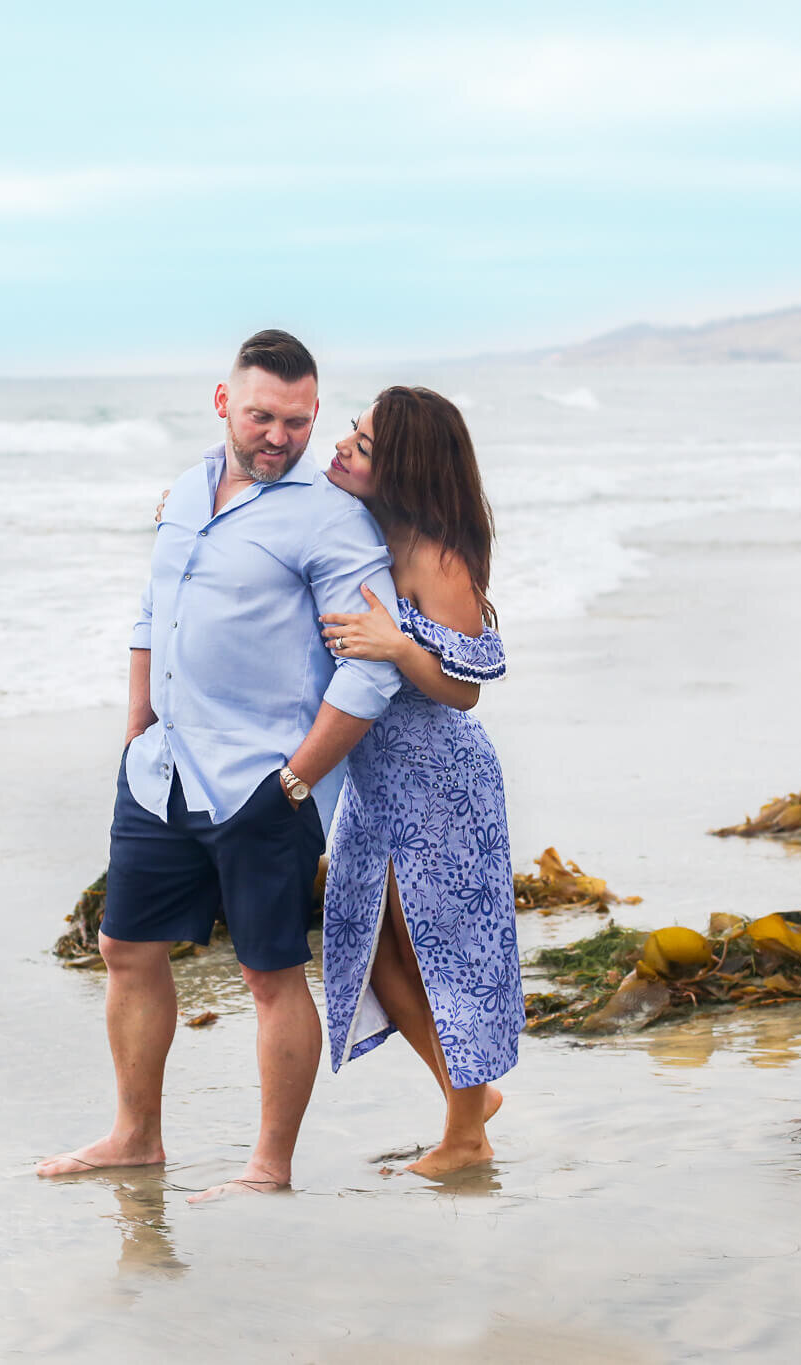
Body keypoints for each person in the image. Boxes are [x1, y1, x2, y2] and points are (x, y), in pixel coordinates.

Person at [36, 330, 403, 1202]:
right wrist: (136, 733)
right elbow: (150, 609)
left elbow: (372, 664)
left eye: (299, 421)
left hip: (262, 782)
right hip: (162, 772)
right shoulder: (188, 491)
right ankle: (136, 1136)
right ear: (222, 403)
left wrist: (301, 777)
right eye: (262, 416)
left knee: (270, 972)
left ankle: (267, 1167)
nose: (279, 436)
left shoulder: (330, 517)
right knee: (125, 947)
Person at [315, 386, 520, 1179]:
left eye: (362, 445)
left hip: (443, 785)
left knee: (447, 952)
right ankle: (466, 1096)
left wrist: (400, 647)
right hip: (375, 788)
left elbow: (469, 683)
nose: (342, 446)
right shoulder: (364, 533)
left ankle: (465, 1133)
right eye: (353, 434)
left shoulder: (439, 557)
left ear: (401, 466)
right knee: (366, 946)